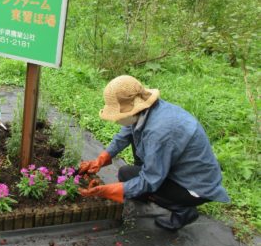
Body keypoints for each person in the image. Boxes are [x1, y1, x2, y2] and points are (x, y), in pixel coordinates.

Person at [78, 75, 230, 231]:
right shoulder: (147, 111)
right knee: (126, 174)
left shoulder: (160, 131)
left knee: (136, 182)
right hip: (175, 169)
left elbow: (150, 180)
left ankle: (184, 210)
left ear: (132, 109)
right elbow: (124, 135)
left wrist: (108, 190)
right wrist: (101, 159)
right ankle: (146, 195)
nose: (116, 120)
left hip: (194, 185)